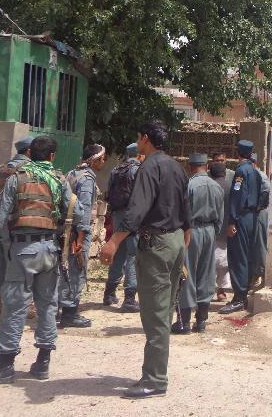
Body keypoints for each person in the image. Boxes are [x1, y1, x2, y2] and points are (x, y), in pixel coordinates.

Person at [0, 136, 79, 385]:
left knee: (14, 305)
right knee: (48, 306)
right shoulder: (60, 180)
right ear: (52, 156)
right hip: (50, 250)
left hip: (23, 250)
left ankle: (5, 363)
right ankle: (43, 362)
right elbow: (76, 212)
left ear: (30, 154)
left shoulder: (16, 178)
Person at [99, 120, 189, 399]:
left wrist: (114, 241)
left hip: (157, 243)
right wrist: (184, 243)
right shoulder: (177, 166)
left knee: (155, 315)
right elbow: (188, 210)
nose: (137, 142)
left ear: (146, 139)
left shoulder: (149, 166)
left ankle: (155, 380)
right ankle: (154, 374)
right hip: (175, 242)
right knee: (163, 311)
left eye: (139, 137)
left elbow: (136, 210)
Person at [173, 153, 224, 333]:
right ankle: (201, 321)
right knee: (207, 273)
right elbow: (220, 215)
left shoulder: (189, 185)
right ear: (207, 165)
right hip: (210, 232)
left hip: (191, 232)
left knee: (187, 274)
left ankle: (184, 323)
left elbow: (181, 213)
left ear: (190, 166)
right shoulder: (216, 186)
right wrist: (213, 232)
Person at [0, 135, 33, 317]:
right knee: (23, 263)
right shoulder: (31, 169)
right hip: (22, 223)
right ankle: (26, 305)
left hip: (1, 222)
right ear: (29, 151)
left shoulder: (3, 169)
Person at [59, 144, 106, 328]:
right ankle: (70, 313)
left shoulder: (72, 173)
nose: (104, 162)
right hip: (78, 233)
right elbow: (84, 210)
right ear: (95, 160)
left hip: (67, 231)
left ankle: (60, 308)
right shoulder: (86, 179)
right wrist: (80, 237)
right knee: (77, 270)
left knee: (64, 270)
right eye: (102, 159)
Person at [219, 139, 262, 315]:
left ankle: (239, 298)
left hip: (241, 218)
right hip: (252, 217)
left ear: (238, 154)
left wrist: (232, 221)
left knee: (238, 257)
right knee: (247, 256)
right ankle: (243, 294)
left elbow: (237, 197)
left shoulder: (241, 171)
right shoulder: (255, 171)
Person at [103, 142, 144, 312]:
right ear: (140, 154)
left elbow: (108, 194)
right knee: (133, 255)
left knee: (118, 253)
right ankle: (129, 298)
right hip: (133, 218)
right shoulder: (139, 170)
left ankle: (109, 293)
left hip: (117, 215)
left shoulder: (115, 170)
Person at [208, 158, 234, 302]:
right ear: (224, 174)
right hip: (227, 229)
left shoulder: (209, 187)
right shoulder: (231, 186)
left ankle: (210, 290)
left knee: (210, 261)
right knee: (223, 263)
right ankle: (221, 290)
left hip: (210, 229)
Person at [247, 152, 270, 292]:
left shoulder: (260, 175)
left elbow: (266, 190)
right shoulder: (247, 174)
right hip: (250, 214)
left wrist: (259, 205)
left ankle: (259, 274)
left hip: (259, 213)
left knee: (260, 244)